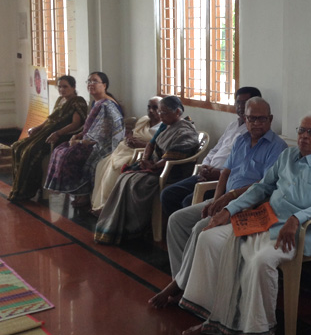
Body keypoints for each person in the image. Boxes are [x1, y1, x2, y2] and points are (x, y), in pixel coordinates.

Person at [178, 114, 311, 335]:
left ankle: (259, 331)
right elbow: (263, 187)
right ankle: (212, 317)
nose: (304, 137)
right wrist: (229, 209)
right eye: (301, 130)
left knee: (259, 260)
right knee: (208, 238)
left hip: (301, 232)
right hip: (266, 221)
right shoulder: (287, 155)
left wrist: (297, 218)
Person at [149, 96, 287, 308]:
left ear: (270, 119)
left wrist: (228, 199)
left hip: (250, 207)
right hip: (225, 201)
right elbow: (225, 173)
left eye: (261, 119)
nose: (255, 124)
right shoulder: (241, 139)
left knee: (200, 228)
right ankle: (183, 282)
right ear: (245, 119)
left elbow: (264, 185)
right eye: (251, 119)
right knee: (177, 220)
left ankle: (180, 286)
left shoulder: (277, 147)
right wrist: (216, 200)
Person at [94, 96, 200, 245]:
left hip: (172, 171)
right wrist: (145, 159)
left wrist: (154, 166)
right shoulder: (165, 125)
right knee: (124, 178)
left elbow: (175, 156)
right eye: (160, 112)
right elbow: (150, 144)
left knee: (138, 184)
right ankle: (115, 221)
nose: (160, 116)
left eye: (164, 113)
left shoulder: (185, 129)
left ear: (177, 112)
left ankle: (135, 228)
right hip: (156, 166)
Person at [160, 87, 262, 217]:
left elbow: (242, 167)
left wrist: (218, 173)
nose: (241, 107)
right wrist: (204, 166)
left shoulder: (254, 133)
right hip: (206, 173)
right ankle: (179, 233)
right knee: (168, 194)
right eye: (238, 102)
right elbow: (215, 149)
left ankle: (194, 234)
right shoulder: (232, 125)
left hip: (222, 179)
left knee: (188, 202)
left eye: (245, 103)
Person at [44, 72, 124, 208]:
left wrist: (80, 142)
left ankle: (84, 193)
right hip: (91, 140)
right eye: (89, 81)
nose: (91, 84)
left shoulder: (107, 105)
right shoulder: (96, 102)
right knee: (59, 149)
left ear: (104, 85)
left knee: (70, 154)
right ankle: (79, 193)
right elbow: (91, 127)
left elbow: (103, 135)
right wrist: (79, 135)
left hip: (105, 145)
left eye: (95, 81)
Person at [9, 76, 88, 202]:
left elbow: (75, 124)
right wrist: (37, 128)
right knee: (17, 147)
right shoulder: (60, 100)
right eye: (60, 86)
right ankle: (19, 187)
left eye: (65, 86)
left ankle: (27, 190)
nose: (62, 89)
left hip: (61, 136)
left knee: (30, 151)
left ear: (73, 87)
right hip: (47, 132)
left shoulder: (78, 102)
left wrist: (57, 133)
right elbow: (50, 120)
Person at [90, 96, 163, 213]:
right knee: (101, 164)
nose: (151, 111)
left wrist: (141, 144)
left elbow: (159, 148)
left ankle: (108, 208)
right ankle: (100, 203)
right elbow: (133, 133)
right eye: (149, 107)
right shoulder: (144, 120)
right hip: (125, 149)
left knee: (117, 168)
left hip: (139, 154)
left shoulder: (164, 126)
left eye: (155, 108)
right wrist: (129, 139)